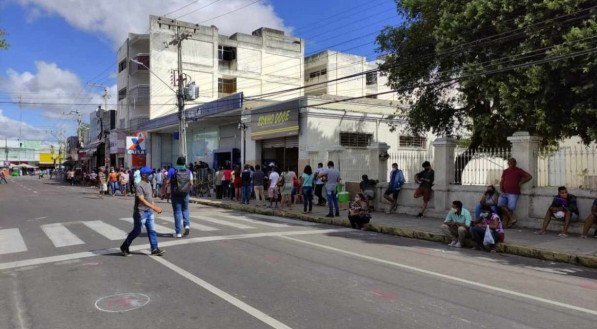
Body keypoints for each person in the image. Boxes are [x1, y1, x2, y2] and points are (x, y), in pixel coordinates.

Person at [120, 166, 164, 256]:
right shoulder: (139, 185)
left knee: (152, 230)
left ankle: (154, 249)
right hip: (140, 212)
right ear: (144, 175)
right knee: (137, 231)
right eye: (149, 174)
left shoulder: (148, 183)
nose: (151, 175)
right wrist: (154, 208)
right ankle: (124, 246)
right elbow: (142, 200)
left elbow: (150, 197)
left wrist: (153, 205)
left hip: (149, 212)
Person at [498, 158, 532, 228]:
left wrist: (521, 182)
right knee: (500, 205)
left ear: (515, 163)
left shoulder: (518, 171)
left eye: (512, 163)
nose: (510, 164)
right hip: (504, 192)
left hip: (513, 192)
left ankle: (507, 224)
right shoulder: (505, 171)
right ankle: (511, 218)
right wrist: (501, 187)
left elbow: (529, 176)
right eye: (509, 163)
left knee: (510, 208)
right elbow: (502, 180)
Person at [168, 157, 193, 238]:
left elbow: (167, 181)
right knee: (185, 209)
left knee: (177, 212)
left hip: (175, 193)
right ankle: (187, 225)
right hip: (185, 193)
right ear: (184, 163)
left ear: (177, 162)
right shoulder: (188, 171)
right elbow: (191, 183)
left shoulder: (172, 170)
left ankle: (178, 232)